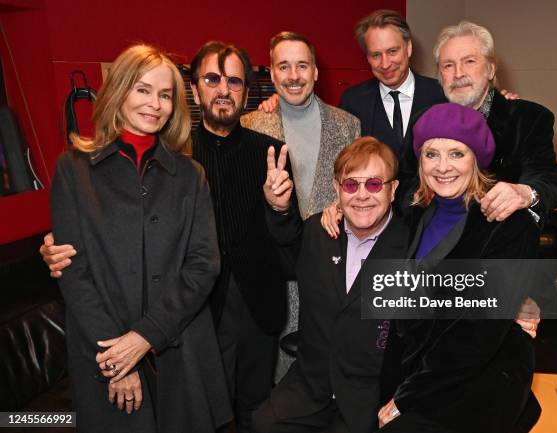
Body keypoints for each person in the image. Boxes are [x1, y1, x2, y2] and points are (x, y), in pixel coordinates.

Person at [44, 41, 291, 433]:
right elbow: (75, 273)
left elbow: (203, 262)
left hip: (182, 344)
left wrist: (145, 336)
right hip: (104, 348)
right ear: (119, 91)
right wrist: (117, 358)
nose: (154, 104)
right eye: (142, 90)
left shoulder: (189, 173)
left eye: (163, 95)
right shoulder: (72, 170)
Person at [377, 102, 541, 433]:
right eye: (431, 154)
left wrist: (407, 397)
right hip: (427, 367)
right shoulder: (418, 213)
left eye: (456, 153)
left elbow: (477, 333)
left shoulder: (510, 224)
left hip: (484, 375)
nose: (442, 166)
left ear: (477, 159)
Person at [255, 137, 415, 433]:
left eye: (375, 184)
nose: (362, 195)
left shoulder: (413, 247)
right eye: (351, 185)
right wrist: (279, 209)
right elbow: (285, 251)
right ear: (336, 190)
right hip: (310, 388)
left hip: (370, 398)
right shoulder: (318, 231)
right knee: (263, 423)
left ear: (393, 190)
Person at [418, 20, 557, 224]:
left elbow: (550, 178)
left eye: (469, 61)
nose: (458, 73)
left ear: (490, 69)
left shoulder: (529, 118)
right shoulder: (423, 122)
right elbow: (408, 183)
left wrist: (524, 193)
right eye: (448, 65)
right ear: (440, 76)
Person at [242, 31, 360, 219]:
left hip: (330, 243)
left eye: (302, 66)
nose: (294, 76)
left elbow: (357, 190)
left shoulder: (349, 126)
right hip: (271, 244)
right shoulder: (249, 125)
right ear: (272, 74)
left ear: (315, 72)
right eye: (283, 67)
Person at [339, 9, 446, 158]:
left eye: (392, 51)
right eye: (376, 55)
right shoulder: (352, 102)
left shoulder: (441, 94)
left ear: (408, 48)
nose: (385, 64)